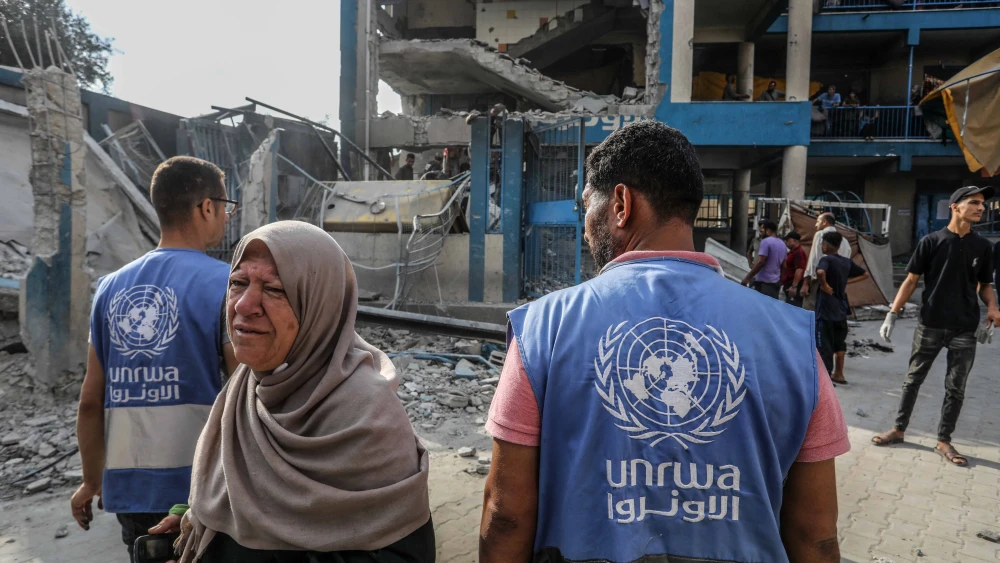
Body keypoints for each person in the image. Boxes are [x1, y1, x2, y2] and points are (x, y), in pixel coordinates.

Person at [480, 121, 849, 563]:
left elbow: (507, 515)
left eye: (587, 209)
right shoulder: (793, 341)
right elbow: (816, 535)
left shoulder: (543, 328)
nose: (584, 229)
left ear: (620, 204)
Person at [154, 221, 434, 562]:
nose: (244, 305)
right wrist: (197, 517)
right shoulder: (245, 389)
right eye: (238, 283)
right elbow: (237, 488)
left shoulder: (367, 415)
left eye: (273, 289)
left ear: (319, 304)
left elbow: (404, 555)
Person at [71, 157, 240, 563]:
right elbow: (244, 391)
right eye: (225, 207)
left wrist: (91, 480)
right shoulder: (226, 283)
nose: (225, 218)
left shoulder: (109, 288)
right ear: (206, 207)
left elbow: (90, 400)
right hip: (205, 486)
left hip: (131, 490)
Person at [872, 186, 1000, 468]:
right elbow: (910, 281)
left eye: (983, 204)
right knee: (913, 380)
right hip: (930, 324)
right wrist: (892, 313)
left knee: (956, 388)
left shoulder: (984, 247)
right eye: (974, 203)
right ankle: (899, 428)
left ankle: (944, 440)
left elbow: (985, 285)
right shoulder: (931, 241)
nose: (982, 208)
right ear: (955, 207)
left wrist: (992, 307)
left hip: (964, 328)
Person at [815, 231, 869, 384]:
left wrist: (824, 285)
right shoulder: (846, 261)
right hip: (841, 309)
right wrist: (847, 282)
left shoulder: (826, 260)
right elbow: (865, 274)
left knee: (823, 344)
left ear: (825, 246)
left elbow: (820, 272)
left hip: (826, 310)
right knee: (839, 343)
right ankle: (839, 374)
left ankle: (824, 381)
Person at [803, 212, 851, 311]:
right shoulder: (845, 241)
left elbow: (814, 258)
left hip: (820, 279)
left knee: (811, 307)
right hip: (838, 281)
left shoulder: (820, 235)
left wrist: (806, 282)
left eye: (818, 221)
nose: (816, 224)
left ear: (824, 222)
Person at [742, 221, 786, 299]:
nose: (762, 233)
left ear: (768, 230)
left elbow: (761, 262)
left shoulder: (765, 242)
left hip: (764, 283)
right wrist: (780, 281)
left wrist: (747, 278)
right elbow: (784, 265)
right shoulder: (782, 244)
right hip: (775, 283)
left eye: (763, 230)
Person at [782, 231, 808, 307]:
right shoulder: (792, 252)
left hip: (795, 285)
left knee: (793, 308)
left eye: (788, 240)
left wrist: (794, 287)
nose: (786, 242)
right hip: (789, 283)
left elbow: (799, 269)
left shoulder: (798, 252)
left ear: (794, 240)